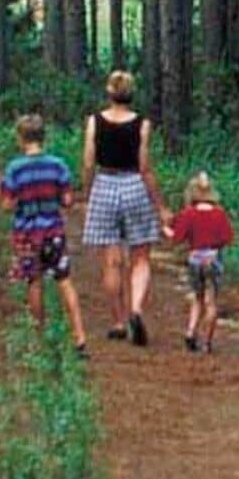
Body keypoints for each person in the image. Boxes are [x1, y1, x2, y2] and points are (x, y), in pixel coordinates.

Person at [77, 70, 165, 346]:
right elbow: (145, 167)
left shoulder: (95, 122)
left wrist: (87, 192)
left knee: (111, 260)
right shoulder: (142, 124)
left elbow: (89, 162)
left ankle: (117, 321)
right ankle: (136, 309)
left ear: (109, 92)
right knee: (140, 257)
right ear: (131, 93)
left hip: (105, 183)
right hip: (134, 186)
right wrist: (159, 204)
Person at [0, 114, 88, 348]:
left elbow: (7, 204)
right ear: (43, 137)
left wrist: (23, 202)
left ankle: (39, 339)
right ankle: (79, 336)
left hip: (27, 234)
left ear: (20, 138)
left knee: (34, 282)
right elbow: (68, 200)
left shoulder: (14, 169)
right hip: (53, 232)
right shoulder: (57, 165)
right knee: (65, 280)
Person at [167, 173, 236, 354]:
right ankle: (207, 342)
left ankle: (190, 332)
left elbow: (177, 238)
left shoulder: (188, 214)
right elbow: (228, 238)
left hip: (195, 259)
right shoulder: (219, 214)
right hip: (213, 258)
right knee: (211, 301)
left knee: (196, 298)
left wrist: (165, 228)